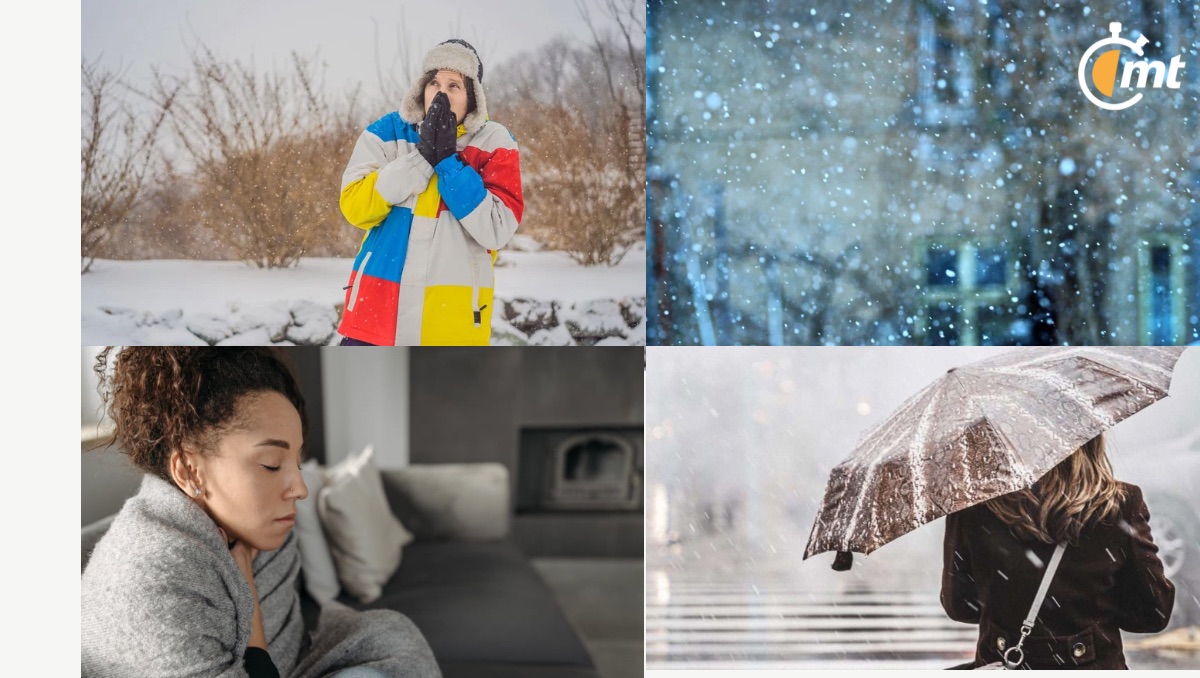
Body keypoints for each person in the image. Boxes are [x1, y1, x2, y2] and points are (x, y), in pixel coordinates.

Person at [81, 347, 441, 678]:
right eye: (271, 464)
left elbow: (287, 650)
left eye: (296, 462)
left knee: (388, 637)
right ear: (189, 471)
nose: (300, 488)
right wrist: (248, 595)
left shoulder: (255, 532)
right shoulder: (154, 587)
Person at [337, 39, 523, 346]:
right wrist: (420, 159)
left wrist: (448, 163)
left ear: (473, 97)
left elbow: (497, 229)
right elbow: (355, 207)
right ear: (421, 87)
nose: (441, 93)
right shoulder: (388, 132)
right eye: (434, 82)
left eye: (454, 86)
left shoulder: (495, 141)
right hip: (376, 316)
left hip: (452, 324)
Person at [941, 434, 1175, 669]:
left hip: (1004, 663)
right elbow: (1152, 614)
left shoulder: (974, 505)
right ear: (1089, 437)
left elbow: (960, 606)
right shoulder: (1118, 504)